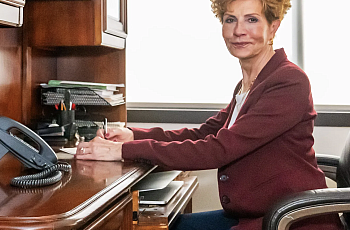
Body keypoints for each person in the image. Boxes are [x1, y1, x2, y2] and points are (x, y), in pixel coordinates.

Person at [75, 0, 343, 229]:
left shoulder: (288, 81)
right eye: (230, 20)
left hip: (287, 221)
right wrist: (132, 135)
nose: (239, 31)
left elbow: (218, 149)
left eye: (251, 19)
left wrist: (123, 151)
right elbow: (204, 133)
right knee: (161, 224)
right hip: (254, 215)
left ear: (273, 27)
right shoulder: (248, 85)